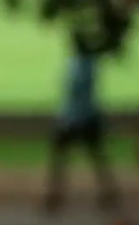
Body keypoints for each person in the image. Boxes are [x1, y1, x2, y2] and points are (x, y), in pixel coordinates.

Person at [44, 30, 121, 213]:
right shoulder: (91, 64)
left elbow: (73, 93)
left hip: (75, 118)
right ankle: (108, 193)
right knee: (96, 158)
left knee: (62, 158)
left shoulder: (76, 65)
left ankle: (55, 196)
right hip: (88, 116)